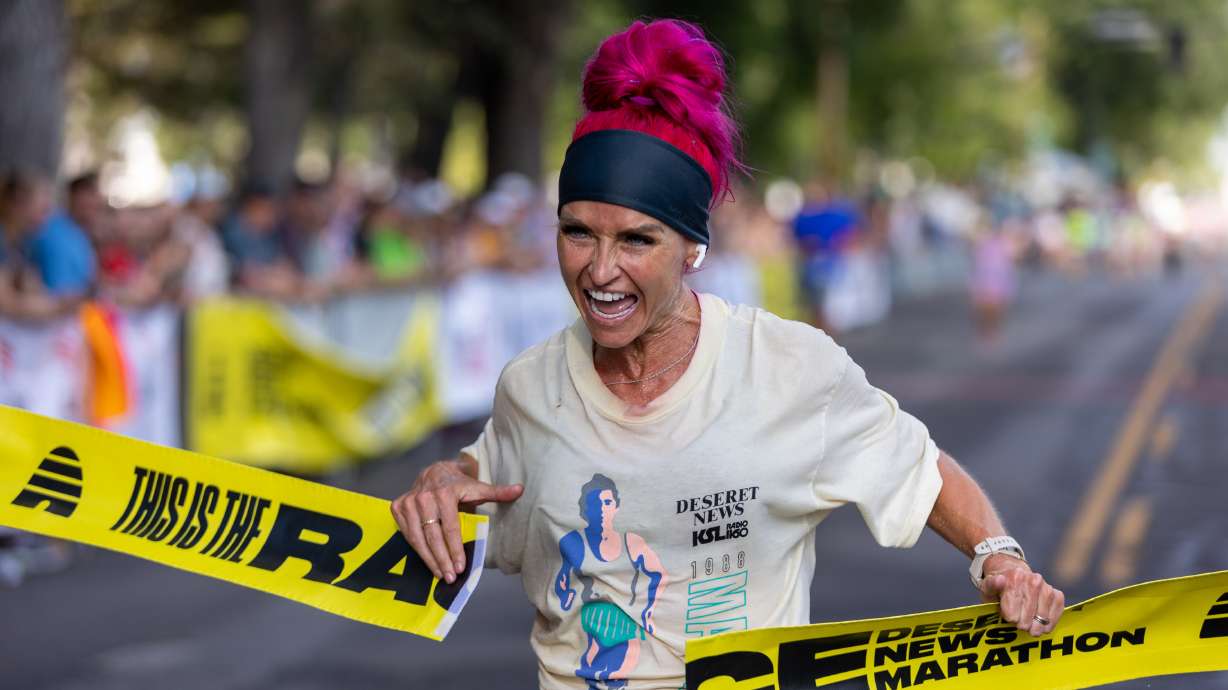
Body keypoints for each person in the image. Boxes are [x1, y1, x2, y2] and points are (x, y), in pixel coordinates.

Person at [393, 20, 1064, 690]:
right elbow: (484, 481)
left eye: (635, 240)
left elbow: (920, 470)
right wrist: (441, 483)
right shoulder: (529, 386)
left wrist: (998, 558)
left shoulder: (788, 367)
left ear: (692, 248)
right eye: (577, 232)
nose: (600, 270)